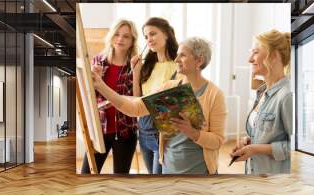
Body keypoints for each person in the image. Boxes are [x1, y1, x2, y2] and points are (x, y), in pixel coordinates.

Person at [92, 37, 227, 175]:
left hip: (200, 173)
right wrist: (100, 85)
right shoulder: (169, 87)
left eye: (183, 55)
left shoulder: (215, 95)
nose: (176, 60)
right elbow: (134, 108)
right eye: (177, 55)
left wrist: (193, 132)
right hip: (169, 170)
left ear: (199, 61)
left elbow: (217, 141)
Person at [230, 29, 292, 175]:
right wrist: (250, 141)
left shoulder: (287, 96)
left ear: (274, 56)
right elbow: (268, 136)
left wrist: (255, 149)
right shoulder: (261, 93)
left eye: (255, 52)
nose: (249, 59)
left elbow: (295, 149)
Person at [81, 19, 139, 174]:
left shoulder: (135, 65)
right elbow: (89, 98)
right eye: (117, 34)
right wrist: (93, 82)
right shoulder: (97, 62)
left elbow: (138, 100)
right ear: (111, 36)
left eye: (126, 36)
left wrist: (137, 72)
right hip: (99, 129)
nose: (120, 39)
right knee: (87, 173)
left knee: (120, 177)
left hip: (126, 131)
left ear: (132, 40)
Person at [130, 17, 181, 174]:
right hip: (144, 131)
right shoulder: (147, 66)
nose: (149, 39)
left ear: (166, 34)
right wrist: (136, 72)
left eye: (153, 34)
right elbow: (137, 99)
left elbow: (176, 106)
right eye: (146, 36)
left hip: (163, 134)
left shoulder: (179, 66)